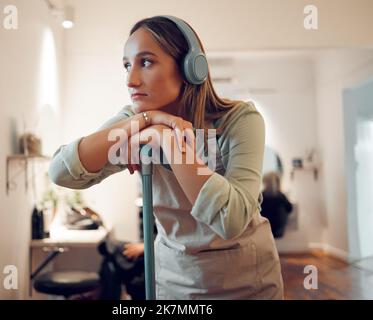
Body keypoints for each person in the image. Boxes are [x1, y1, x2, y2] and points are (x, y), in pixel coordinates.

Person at [48, 15, 284, 299]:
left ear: (190, 67)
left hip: (245, 282)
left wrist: (167, 139)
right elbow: (61, 171)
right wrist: (149, 121)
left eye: (145, 62)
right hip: (175, 281)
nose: (130, 79)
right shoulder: (135, 121)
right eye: (127, 65)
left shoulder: (238, 120)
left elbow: (230, 219)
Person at [261, 171, 293, 239]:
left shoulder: (261, 196)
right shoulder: (281, 196)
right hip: (279, 230)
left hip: (265, 230)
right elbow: (290, 209)